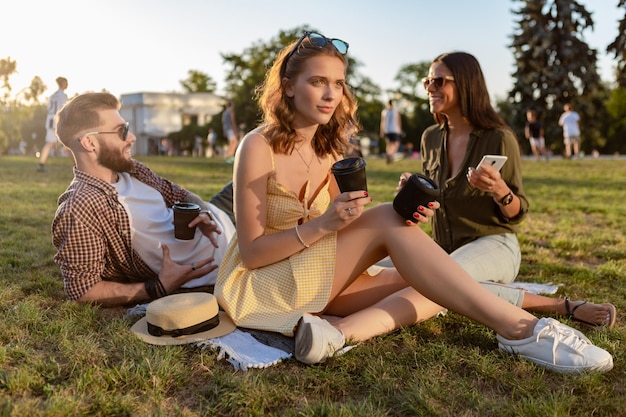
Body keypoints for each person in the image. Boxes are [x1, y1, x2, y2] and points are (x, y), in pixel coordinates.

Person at [214, 32, 613, 373]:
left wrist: (392, 221)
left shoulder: (331, 151)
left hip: (315, 276)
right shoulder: (257, 146)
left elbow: (346, 233)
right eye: (318, 81)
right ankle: (521, 332)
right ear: (288, 85)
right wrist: (328, 224)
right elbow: (252, 254)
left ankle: (337, 334)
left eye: (338, 83)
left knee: (438, 280)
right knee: (395, 226)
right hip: (262, 285)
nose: (331, 94)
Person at [392, 51, 614, 331]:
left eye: (438, 81)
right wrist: (412, 194)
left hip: (495, 244)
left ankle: (562, 306)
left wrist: (500, 189)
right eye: (427, 82)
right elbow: (434, 202)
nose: (430, 88)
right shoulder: (430, 137)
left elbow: (517, 212)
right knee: (383, 271)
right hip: (443, 250)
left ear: (466, 84)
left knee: (439, 281)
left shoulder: (498, 138)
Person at [52, 92, 235, 307]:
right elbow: (83, 290)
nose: (132, 137)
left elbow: (177, 193)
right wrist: (158, 287)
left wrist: (202, 210)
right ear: (90, 142)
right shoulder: (81, 205)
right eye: (122, 131)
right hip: (231, 254)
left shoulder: (130, 168)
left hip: (219, 214)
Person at [38, 77, 69, 171]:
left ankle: (41, 164)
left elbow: (49, 108)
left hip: (50, 120)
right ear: (63, 83)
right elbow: (63, 110)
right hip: (57, 120)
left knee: (50, 143)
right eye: (66, 83)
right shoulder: (63, 96)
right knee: (68, 142)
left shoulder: (52, 95)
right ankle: (78, 167)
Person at [379, 99, 402, 163]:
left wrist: (382, 131)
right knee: (393, 144)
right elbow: (383, 122)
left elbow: (398, 120)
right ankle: (390, 155)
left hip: (391, 130)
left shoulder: (394, 111)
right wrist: (382, 131)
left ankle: (389, 155)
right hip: (391, 130)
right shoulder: (386, 112)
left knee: (391, 144)